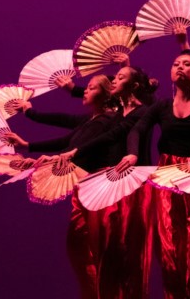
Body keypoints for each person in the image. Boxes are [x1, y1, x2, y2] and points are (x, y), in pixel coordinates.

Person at [3, 74, 115, 299]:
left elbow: (75, 152)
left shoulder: (105, 122)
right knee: (79, 251)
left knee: (89, 252)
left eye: (91, 88)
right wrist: (28, 142)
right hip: (83, 192)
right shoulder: (90, 120)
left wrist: (44, 159)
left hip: (97, 195)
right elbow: (65, 136)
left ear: (104, 96)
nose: (85, 90)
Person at [114, 52, 190, 299]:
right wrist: (133, 154)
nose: (180, 66)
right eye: (175, 63)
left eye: (187, 64)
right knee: (169, 242)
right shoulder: (160, 106)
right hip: (168, 171)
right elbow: (137, 130)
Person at [62, 66, 158, 299]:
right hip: (113, 182)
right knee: (106, 248)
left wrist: (76, 152)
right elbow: (75, 122)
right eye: (114, 78)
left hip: (134, 186)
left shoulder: (142, 111)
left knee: (128, 250)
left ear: (133, 86)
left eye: (120, 78)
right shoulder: (117, 112)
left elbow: (125, 133)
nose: (114, 80)